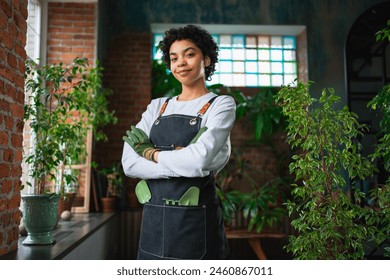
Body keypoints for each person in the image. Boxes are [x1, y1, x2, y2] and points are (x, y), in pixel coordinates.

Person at [121, 24, 236, 260]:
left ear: (206, 59)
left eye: (189, 54)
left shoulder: (221, 105)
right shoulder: (157, 106)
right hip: (153, 223)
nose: (180, 63)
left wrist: (151, 154)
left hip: (197, 225)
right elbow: (129, 164)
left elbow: (199, 161)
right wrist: (181, 159)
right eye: (174, 58)